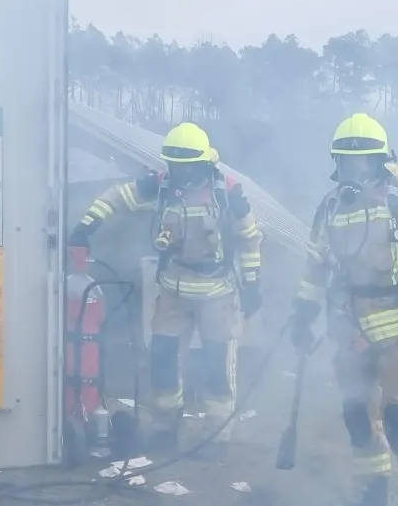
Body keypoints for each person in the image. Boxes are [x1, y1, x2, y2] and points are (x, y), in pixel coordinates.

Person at [290, 113, 398, 506]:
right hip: (347, 329)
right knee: (357, 415)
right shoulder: (330, 207)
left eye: (362, 162)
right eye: (346, 162)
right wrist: (304, 309)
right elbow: (315, 266)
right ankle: (371, 494)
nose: (354, 170)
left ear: (380, 161)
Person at [68, 122, 263, 450]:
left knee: (217, 366)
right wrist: (88, 225)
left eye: (187, 166)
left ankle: (216, 435)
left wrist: (253, 283)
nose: (180, 173)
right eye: (175, 166)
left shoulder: (226, 192)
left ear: (203, 164)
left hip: (217, 293)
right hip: (173, 291)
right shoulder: (160, 187)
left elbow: (249, 238)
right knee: (162, 361)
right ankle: (164, 428)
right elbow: (117, 196)